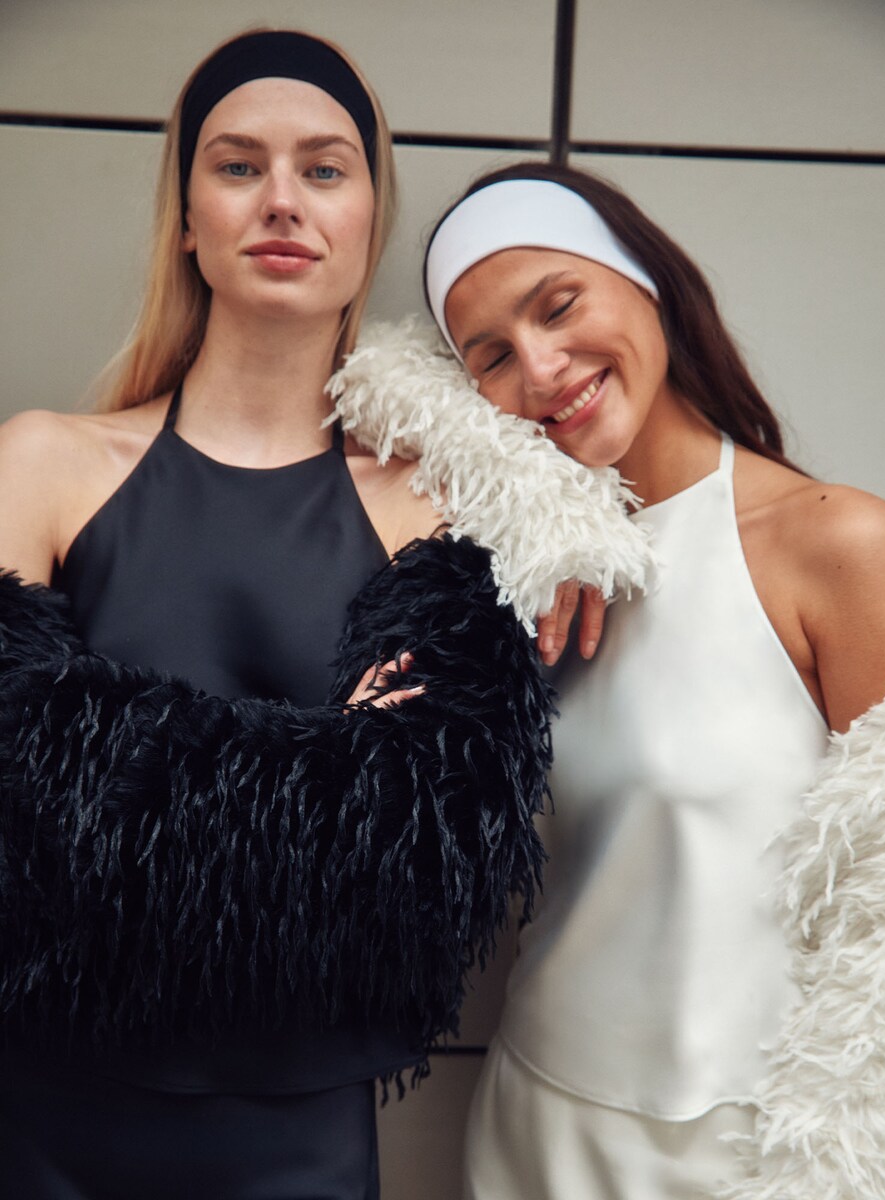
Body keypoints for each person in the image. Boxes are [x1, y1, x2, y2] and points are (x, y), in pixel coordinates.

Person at [0, 38, 652, 1199]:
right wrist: (323, 770)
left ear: (367, 218)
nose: (282, 201)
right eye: (237, 166)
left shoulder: (452, 506)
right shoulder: (42, 462)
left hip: (297, 1143)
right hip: (44, 1119)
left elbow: (416, 876)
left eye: (324, 169)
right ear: (187, 218)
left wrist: (111, 791)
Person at [418, 162, 885, 1199]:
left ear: (649, 284)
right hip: (538, 1129)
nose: (541, 367)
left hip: (763, 1155)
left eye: (560, 306)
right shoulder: (517, 583)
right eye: (490, 356)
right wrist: (530, 516)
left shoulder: (838, 545)